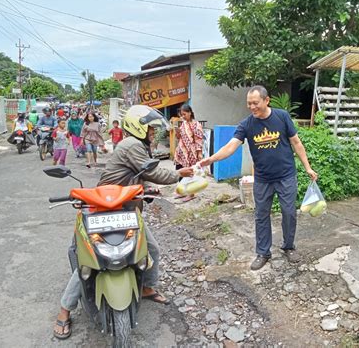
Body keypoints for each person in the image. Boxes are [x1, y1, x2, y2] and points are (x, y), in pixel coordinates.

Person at [52, 106, 194, 340]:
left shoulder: (137, 146)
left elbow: (136, 176)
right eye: (149, 128)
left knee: (152, 249)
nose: (152, 133)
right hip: (102, 206)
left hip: (125, 206)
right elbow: (154, 173)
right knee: (87, 261)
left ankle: (147, 287)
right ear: (137, 126)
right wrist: (179, 174)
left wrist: (147, 190)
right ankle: (65, 310)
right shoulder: (132, 145)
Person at [200, 86, 318, 271]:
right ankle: (263, 252)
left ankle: (289, 246)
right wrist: (211, 159)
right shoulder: (247, 124)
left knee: (289, 212)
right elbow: (231, 146)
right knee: (261, 216)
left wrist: (308, 167)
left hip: (286, 175)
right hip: (263, 179)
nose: (252, 107)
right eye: (249, 103)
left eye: (255, 103)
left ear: (266, 100)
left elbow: (296, 142)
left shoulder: (282, 117)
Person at [174, 104, 204, 202]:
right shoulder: (183, 124)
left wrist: (199, 153)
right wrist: (177, 132)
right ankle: (182, 192)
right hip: (181, 153)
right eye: (181, 115)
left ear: (190, 113)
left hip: (191, 154)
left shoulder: (196, 125)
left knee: (191, 174)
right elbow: (179, 138)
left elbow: (199, 140)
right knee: (180, 171)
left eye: (184, 114)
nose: (183, 116)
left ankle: (191, 194)